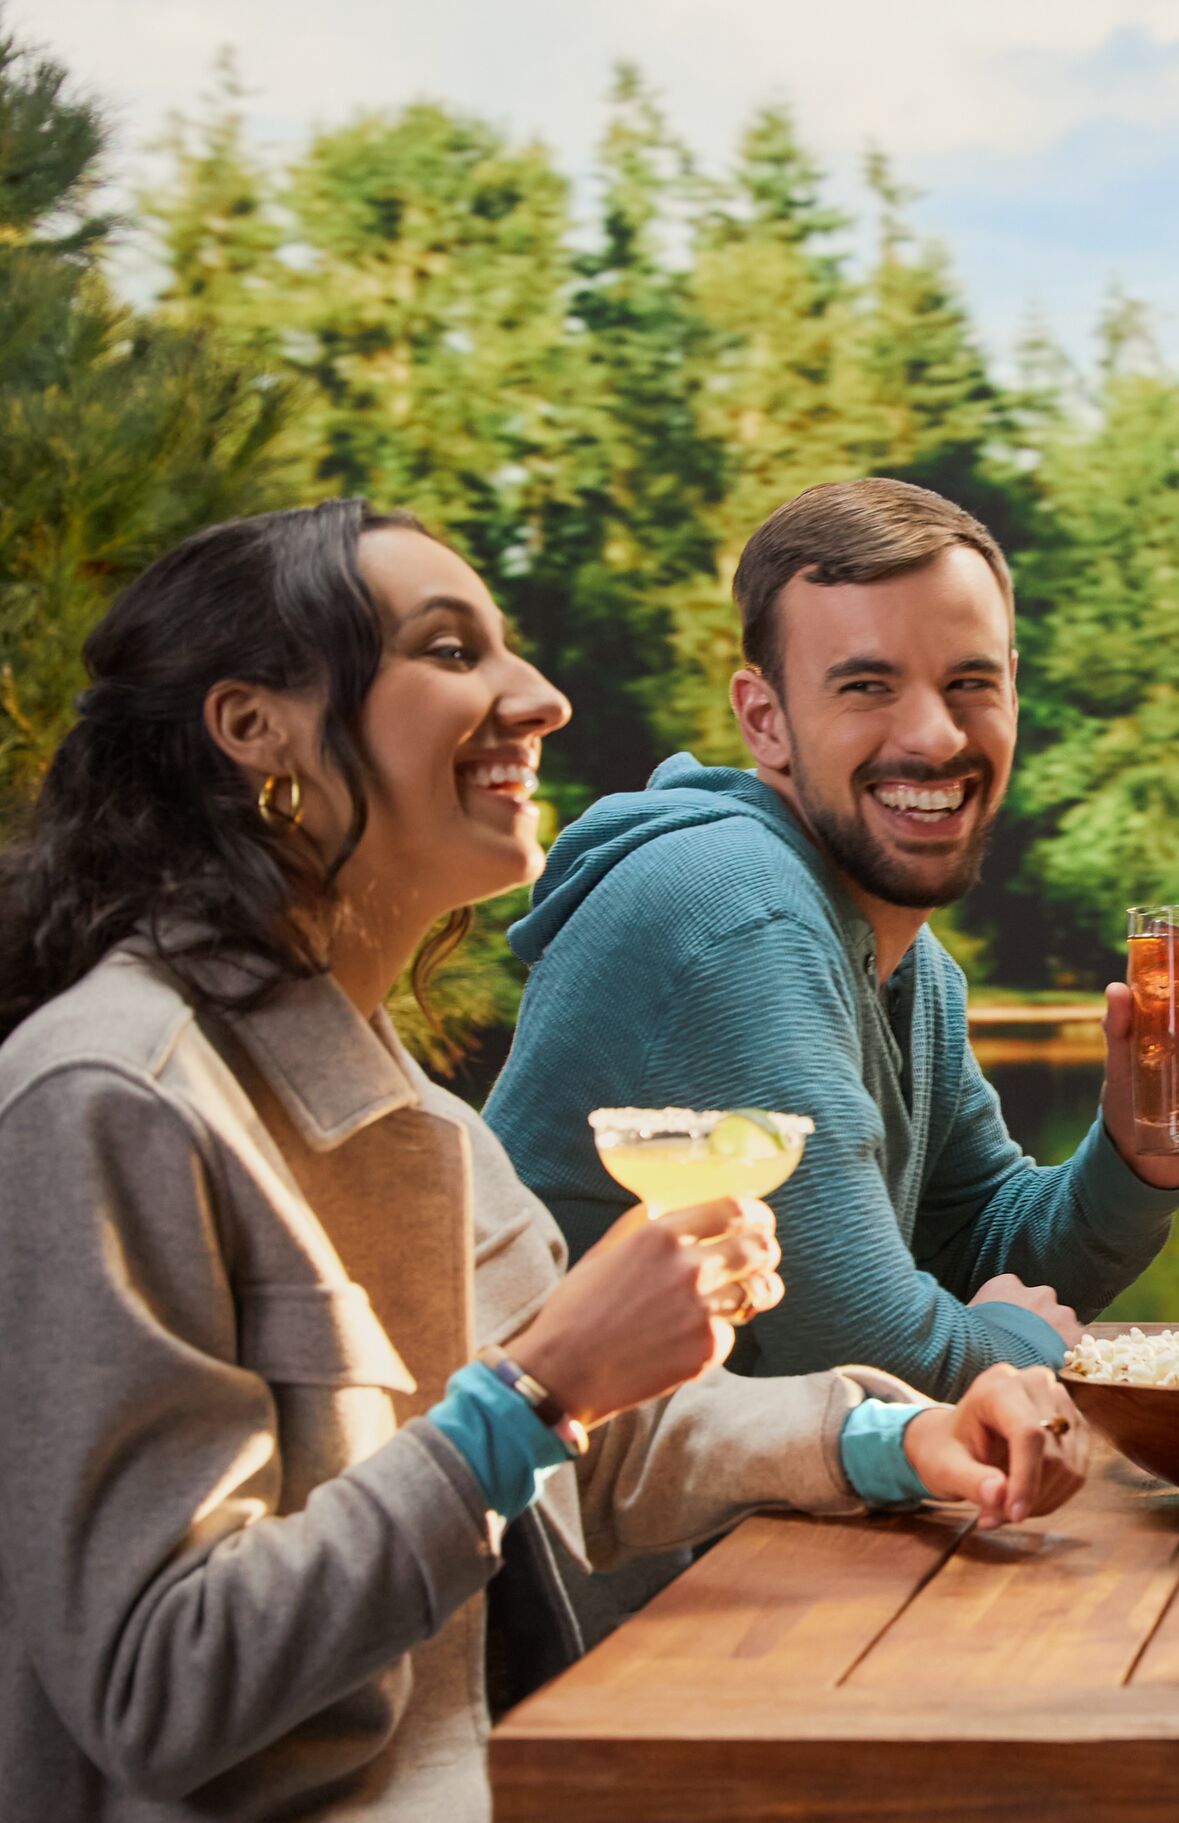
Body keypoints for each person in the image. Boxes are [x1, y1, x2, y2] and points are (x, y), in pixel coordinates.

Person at [0, 501, 1094, 1820]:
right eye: (450, 649)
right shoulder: (109, 1096)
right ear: (256, 728)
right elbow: (158, 1685)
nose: (540, 697)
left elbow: (587, 1455)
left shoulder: (410, 1114)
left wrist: (889, 1437)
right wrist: (542, 1380)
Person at [485, 479, 1179, 1400]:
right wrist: (1023, 1346)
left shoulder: (905, 957)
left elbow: (977, 1242)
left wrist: (1136, 1159)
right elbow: (866, 1354)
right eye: (868, 686)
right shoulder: (741, 911)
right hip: (593, 1536)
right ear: (764, 719)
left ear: (1014, 691)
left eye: (970, 683)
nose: (936, 736)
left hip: (773, 1523)